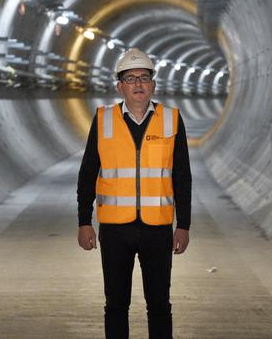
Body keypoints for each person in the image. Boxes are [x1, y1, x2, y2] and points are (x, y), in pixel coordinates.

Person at [77, 47, 192, 339]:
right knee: (115, 305)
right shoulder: (103, 120)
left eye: (143, 77)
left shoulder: (172, 119)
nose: (138, 84)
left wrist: (184, 225)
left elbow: (182, 177)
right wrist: (84, 221)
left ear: (153, 84)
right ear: (120, 86)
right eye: (130, 79)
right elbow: (88, 173)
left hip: (158, 229)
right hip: (115, 229)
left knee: (159, 305)